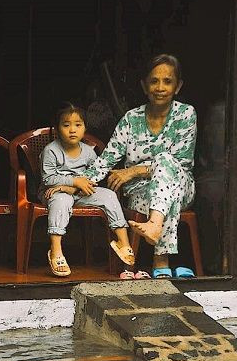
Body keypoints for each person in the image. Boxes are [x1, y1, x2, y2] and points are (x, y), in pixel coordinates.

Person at [84, 53, 197, 278]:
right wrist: (75, 181)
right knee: (164, 194)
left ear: (178, 86)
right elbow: (106, 159)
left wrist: (133, 170)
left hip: (182, 185)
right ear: (144, 86)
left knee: (166, 161)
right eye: (154, 81)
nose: (160, 87)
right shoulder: (131, 119)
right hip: (141, 194)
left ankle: (157, 237)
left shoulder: (186, 114)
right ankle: (161, 263)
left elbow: (180, 163)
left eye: (168, 81)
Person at [39, 101, 136, 277]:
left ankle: (123, 241)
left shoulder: (88, 152)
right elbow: (48, 178)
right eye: (66, 125)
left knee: (108, 195)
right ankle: (55, 250)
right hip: (55, 192)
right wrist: (72, 183)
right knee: (62, 200)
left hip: (81, 193)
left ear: (85, 128)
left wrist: (75, 188)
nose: (72, 130)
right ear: (57, 128)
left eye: (78, 125)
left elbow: (95, 177)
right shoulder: (51, 150)